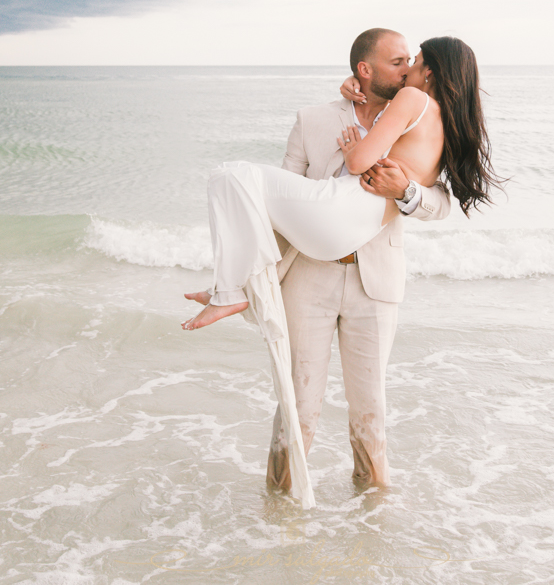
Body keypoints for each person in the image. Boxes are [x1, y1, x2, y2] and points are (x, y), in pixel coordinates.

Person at [183, 30, 501, 499]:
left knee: (370, 410)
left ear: (424, 72)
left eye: (410, 61)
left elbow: (439, 203)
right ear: (364, 71)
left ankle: (371, 520)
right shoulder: (314, 118)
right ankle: (280, 510)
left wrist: (404, 190)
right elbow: (282, 198)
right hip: (312, 268)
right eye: (397, 60)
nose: (405, 67)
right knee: (297, 404)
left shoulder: (412, 103)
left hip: (374, 277)